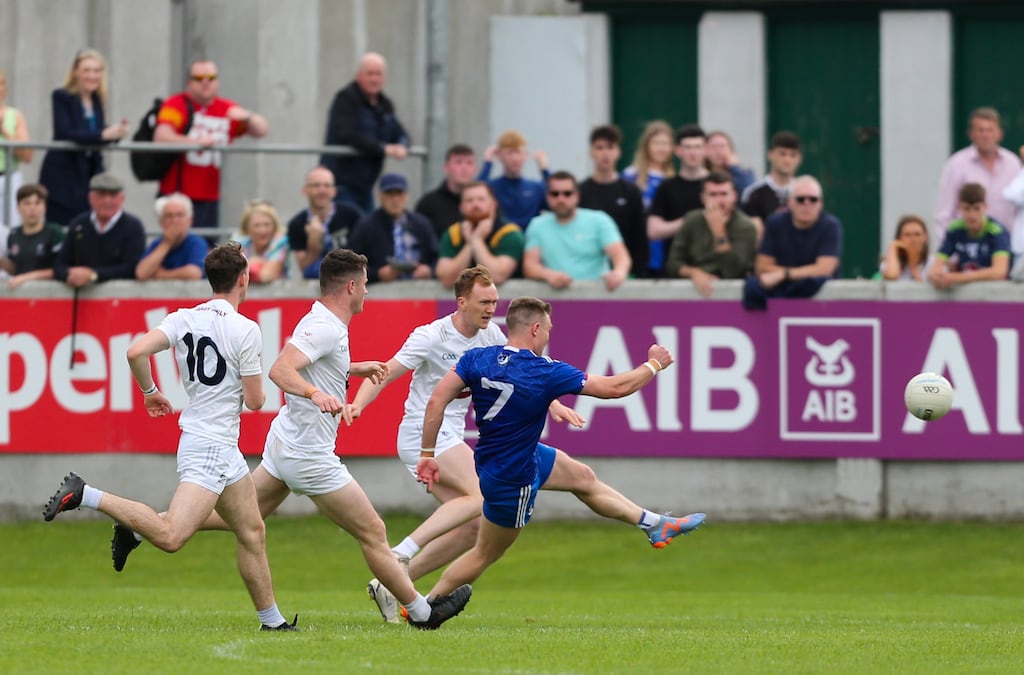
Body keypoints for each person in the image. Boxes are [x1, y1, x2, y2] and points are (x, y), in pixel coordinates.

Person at [350, 267, 705, 624]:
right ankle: (408, 572)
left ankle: (653, 522)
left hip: (476, 443)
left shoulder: (484, 347)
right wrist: (654, 364)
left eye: (495, 301)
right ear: (462, 302)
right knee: (483, 535)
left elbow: (515, 377)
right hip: (447, 443)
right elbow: (397, 378)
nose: (491, 308)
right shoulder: (433, 336)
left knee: (575, 478)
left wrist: (553, 402)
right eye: (484, 301)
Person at [185, 248, 471, 630]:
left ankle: (148, 526)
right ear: (351, 285)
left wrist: (351, 368)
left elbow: (315, 364)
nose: (367, 292)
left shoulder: (328, 324)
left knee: (235, 518)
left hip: (285, 444)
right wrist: (314, 394)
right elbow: (280, 370)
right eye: (366, 285)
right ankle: (423, 613)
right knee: (373, 532)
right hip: (309, 455)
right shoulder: (324, 326)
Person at [43, 242, 297, 632]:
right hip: (210, 445)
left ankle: (273, 622)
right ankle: (86, 494)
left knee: (251, 528)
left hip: (215, 444)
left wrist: (150, 392)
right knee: (172, 537)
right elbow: (255, 400)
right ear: (244, 280)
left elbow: (134, 352)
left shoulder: (182, 318)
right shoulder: (245, 329)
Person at [153, 59, 269, 234]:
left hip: (211, 195)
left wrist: (247, 116)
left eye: (211, 77)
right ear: (189, 82)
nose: (206, 82)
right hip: (177, 195)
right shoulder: (177, 104)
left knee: (207, 247)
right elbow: (161, 136)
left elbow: (262, 130)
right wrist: (196, 143)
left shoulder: (226, 108)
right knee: (174, 244)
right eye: (199, 78)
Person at [38, 49, 130, 226]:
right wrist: (104, 134)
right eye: (87, 70)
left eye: (96, 71)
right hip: (64, 175)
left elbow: (96, 133)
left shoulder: (97, 99)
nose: (92, 76)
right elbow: (65, 132)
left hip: (89, 174)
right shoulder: (62, 96)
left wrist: (116, 133)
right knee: (64, 227)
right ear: (75, 72)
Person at [320, 52, 410, 214]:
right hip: (342, 185)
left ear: (385, 78)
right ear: (358, 75)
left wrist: (402, 144)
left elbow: (399, 131)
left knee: (366, 232)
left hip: (366, 188)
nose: (374, 79)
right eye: (369, 74)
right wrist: (382, 148)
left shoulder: (385, 104)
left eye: (378, 74)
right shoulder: (346, 99)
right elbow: (345, 134)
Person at [742, 175, 841, 310]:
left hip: (822, 307)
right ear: (789, 202)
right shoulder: (774, 223)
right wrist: (805, 273)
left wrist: (783, 275)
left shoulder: (830, 226)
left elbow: (824, 269)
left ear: (821, 203)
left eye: (813, 199)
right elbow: (762, 267)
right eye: (800, 199)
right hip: (779, 307)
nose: (807, 204)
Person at [523, 171, 631, 291]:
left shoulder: (599, 220)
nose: (561, 199)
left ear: (577, 196)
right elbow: (530, 266)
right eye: (555, 194)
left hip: (597, 297)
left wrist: (619, 273)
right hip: (555, 300)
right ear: (547, 196)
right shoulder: (537, 225)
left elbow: (620, 255)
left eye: (567, 193)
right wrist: (548, 275)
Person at [665, 171, 758, 297]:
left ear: (734, 196)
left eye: (724, 194)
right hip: (692, 291)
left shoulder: (745, 226)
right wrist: (694, 273)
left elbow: (734, 271)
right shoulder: (692, 220)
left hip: (733, 295)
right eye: (713, 195)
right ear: (703, 198)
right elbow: (672, 263)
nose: (719, 201)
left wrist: (718, 231)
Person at [935, 107, 1019, 245]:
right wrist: (951, 251)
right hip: (967, 249)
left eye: (990, 130)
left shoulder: (1013, 164)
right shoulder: (956, 165)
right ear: (971, 134)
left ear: (1000, 134)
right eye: (980, 130)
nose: (985, 135)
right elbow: (944, 214)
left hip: (1006, 248)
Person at [52, 173, 146, 287]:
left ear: (122, 199)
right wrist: (69, 275)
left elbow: (133, 268)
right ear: (90, 198)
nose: (107, 200)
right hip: (82, 297)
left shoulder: (133, 226)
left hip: (120, 297)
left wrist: (93, 275)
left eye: (113, 195)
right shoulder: (79, 224)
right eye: (101, 195)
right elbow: (60, 264)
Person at [578, 125, 648, 277]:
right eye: (600, 147)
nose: (605, 153)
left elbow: (640, 237)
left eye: (610, 147)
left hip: (625, 273)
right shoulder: (580, 191)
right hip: (589, 273)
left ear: (618, 152)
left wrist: (639, 274)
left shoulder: (631, 192)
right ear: (591, 152)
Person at [348, 173, 437, 283]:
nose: (395, 199)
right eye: (389, 193)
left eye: (399, 193)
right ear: (379, 196)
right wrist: (377, 274)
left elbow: (437, 257)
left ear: (406, 196)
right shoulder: (366, 226)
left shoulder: (421, 224)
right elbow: (351, 265)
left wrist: (429, 270)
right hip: (380, 296)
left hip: (419, 293)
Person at [647, 124, 709, 277]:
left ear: (705, 150)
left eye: (697, 147)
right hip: (675, 269)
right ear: (678, 151)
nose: (693, 152)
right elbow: (653, 231)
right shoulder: (666, 188)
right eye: (687, 147)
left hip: (712, 269)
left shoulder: (718, 186)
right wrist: (691, 221)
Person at [434, 181, 523, 287]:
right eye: (469, 200)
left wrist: (477, 240)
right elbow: (446, 279)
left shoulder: (509, 233)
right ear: (461, 207)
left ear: (493, 204)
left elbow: (497, 276)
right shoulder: (453, 233)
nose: (475, 205)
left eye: (481, 199)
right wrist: (470, 243)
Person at [928, 183, 1010, 289]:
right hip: (967, 295)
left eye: (976, 209)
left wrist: (955, 278)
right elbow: (934, 268)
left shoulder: (997, 231)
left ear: (985, 207)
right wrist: (936, 277)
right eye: (966, 209)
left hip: (994, 294)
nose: (972, 215)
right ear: (959, 208)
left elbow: (999, 272)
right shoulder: (954, 229)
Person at [286, 166, 362, 279]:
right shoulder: (297, 224)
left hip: (350, 280)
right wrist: (313, 243)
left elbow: (362, 258)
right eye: (316, 185)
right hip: (318, 284)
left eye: (327, 185)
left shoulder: (352, 215)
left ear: (334, 191)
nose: (322, 190)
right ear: (305, 190)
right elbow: (304, 269)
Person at [477, 130, 550, 229]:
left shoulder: (536, 187)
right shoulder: (492, 187)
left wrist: (545, 170)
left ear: (525, 155)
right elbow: (474, 193)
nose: (515, 158)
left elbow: (559, 199)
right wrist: (487, 164)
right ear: (499, 156)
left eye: (518, 152)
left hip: (531, 240)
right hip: (502, 238)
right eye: (509, 153)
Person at [740, 130, 803, 238]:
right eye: (782, 154)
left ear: (799, 159)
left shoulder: (806, 193)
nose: (787, 160)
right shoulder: (753, 193)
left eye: (792, 155)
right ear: (770, 155)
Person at [2, 184, 65, 289]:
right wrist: (2, 262)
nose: (32, 208)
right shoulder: (13, 235)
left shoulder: (55, 232)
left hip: (49, 294)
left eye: (37, 203)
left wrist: (26, 278)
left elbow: (61, 269)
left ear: (44, 207)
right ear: (18, 207)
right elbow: (15, 269)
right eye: (27, 203)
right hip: (21, 296)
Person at [135, 193, 208, 281]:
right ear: (161, 222)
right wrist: (167, 243)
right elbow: (141, 273)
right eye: (169, 216)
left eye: (180, 215)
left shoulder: (196, 243)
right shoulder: (156, 244)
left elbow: (194, 273)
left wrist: (161, 274)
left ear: (190, 220)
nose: (175, 221)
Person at [415, 144, 478, 239]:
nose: (464, 168)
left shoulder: (485, 203)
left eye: (469, 163)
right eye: (458, 162)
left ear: (475, 169)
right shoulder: (429, 204)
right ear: (446, 167)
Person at [0, 67, 33, 227]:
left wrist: (5, 131)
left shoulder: (14, 115)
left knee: (10, 231)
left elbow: (27, 156)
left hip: (8, 179)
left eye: (2, 83)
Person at [623, 120, 676, 211]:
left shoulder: (673, 179)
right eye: (656, 143)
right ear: (646, 146)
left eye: (665, 143)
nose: (661, 148)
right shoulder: (631, 174)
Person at [235, 200, 288, 283]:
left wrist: (247, 264)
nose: (262, 230)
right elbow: (230, 276)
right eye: (257, 225)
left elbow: (266, 276)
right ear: (247, 228)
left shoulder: (280, 243)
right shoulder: (239, 243)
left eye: (267, 224)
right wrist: (258, 263)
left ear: (274, 226)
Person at [878, 214, 931, 281]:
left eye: (917, 234)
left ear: (925, 237)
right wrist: (893, 246)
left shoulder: (933, 263)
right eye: (907, 235)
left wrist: (914, 269)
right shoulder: (890, 262)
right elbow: (891, 277)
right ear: (899, 238)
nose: (913, 239)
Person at [706, 130, 756, 198]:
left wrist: (735, 169)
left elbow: (749, 194)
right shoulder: (703, 173)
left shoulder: (745, 174)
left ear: (731, 150)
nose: (718, 151)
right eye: (714, 147)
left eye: (722, 146)